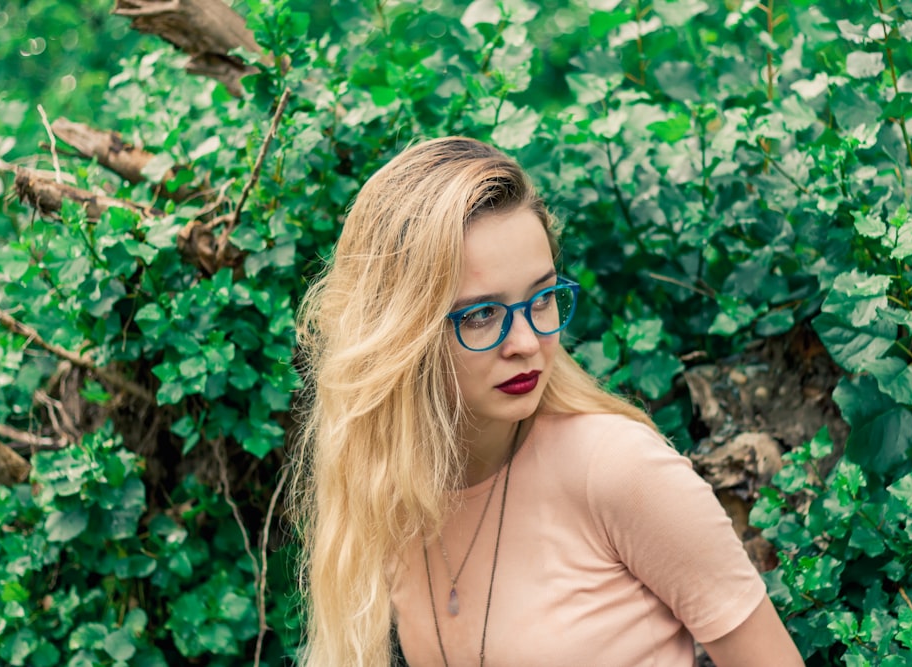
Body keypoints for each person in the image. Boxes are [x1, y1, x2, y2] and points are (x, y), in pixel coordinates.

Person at [290, 136, 803, 666]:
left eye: (541, 298)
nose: (527, 343)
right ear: (400, 335)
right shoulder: (395, 494)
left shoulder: (619, 468)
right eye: (480, 315)